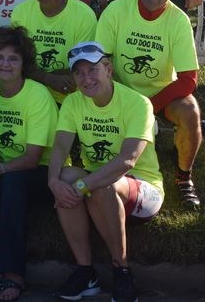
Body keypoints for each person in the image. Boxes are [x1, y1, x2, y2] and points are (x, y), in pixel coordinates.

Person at [48, 41, 163, 302]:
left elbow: (128, 161)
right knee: (66, 178)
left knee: (99, 185)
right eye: (78, 73)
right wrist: (53, 181)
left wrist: (81, 186)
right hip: (97, 184)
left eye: (92, 70)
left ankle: (122, 271)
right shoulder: (73, 102)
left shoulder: (138, 103)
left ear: (108, 69)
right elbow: (60, 146)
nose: (86, 78)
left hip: (142, 188)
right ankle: (85, 272)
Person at [96, 0, 202, 208]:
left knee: (190, 111)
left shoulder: (178, 20)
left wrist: (149, 107)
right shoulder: (117, 9)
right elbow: (101, 60)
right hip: (119, 90)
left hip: (160, 97)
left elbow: (189, 79)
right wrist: (121, 99)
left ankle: (184, 177)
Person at [0, 26, 58, 301]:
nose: (5, 64)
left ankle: (14, 274)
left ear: (24, 64)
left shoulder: (37, 95)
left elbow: (33, 158)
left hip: (44, 172)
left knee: (8, 182)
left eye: (13, 59)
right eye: (0, 57)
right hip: (4, 171)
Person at [11, 0, 97, 103]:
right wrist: (48, 78)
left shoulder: (84, 15)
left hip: (70, 97)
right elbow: (17, 62)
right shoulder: (21, 12)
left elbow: (83, 66)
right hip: (30, 93)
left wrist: (35, 73)